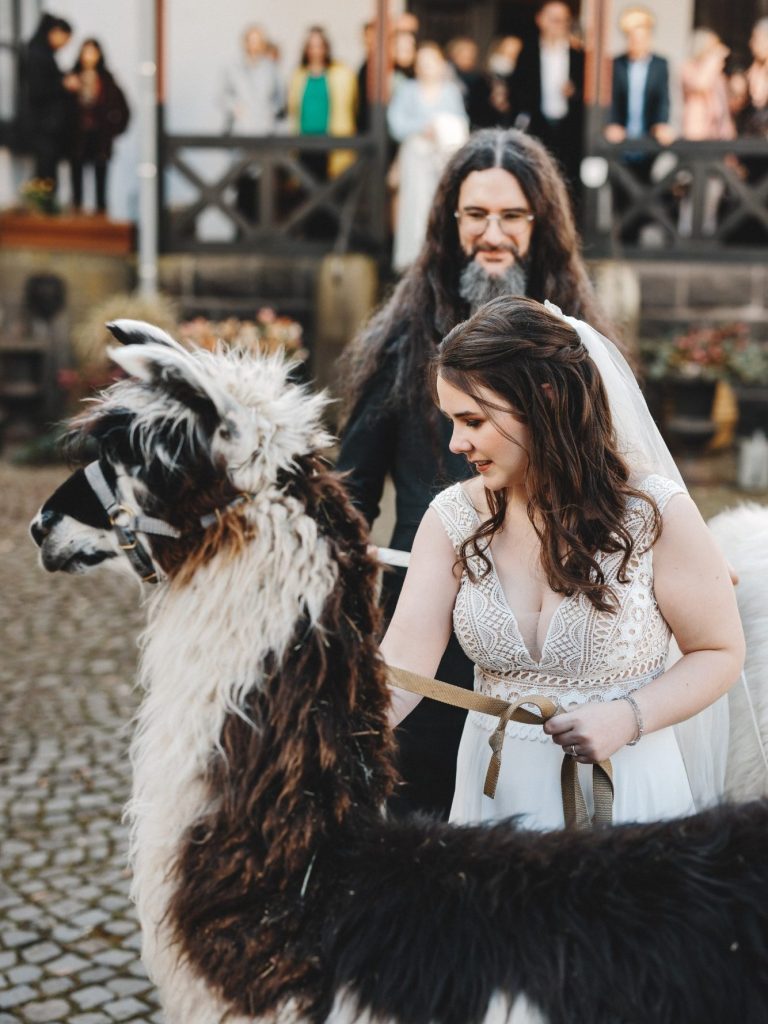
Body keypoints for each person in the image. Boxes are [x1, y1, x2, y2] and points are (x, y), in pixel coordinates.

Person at [383, 296, 744, 829]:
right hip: (494, 797)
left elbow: (718, 651)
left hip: (625, 790)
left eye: (473, 420)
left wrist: (628, 717)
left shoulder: (655, 512)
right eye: (452, 421)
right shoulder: (451, 518)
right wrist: (326, 739)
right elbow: (401, 667)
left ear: (545, 400)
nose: (457, 443)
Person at [336, 128, 610, 819]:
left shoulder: (579, 346)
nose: (493, 234)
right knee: (423, 829)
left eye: (512, 215)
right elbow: (349, 494)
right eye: (476, 215)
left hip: (549, 633)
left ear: (541, 224)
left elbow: (621, 472)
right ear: (449, 222)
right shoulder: (402, 341)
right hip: (424, 626)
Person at [387, 42, 469, 271]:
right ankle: (411, 259)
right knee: (413, 206)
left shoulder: (450, 91)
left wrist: (442, 128)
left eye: (431, 62)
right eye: (421, 62)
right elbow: (396, 123)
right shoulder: (408, 90)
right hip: (414, 156)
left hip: (441, 158)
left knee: (441, 203)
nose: (426, 67)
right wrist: (423, 127)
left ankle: (440, 258)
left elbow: (461, 122)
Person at [511, 1, 585, 194]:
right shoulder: (528, 53)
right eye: (554, 19)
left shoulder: (578, 55)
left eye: (564, 20)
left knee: (569, 182)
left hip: (570, 130)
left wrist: (574, 92)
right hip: (537, 127)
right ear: (541, 20)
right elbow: (517, 91)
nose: (560, 25)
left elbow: (587, 93)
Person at [17, 13, 78, 204]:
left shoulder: (42, 53)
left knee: (47, 169)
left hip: (47, 125)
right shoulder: (37, 54)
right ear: (55, 33)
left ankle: (44, 205)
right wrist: (63, 84)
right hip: (42, 125)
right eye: (65, 39)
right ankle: (43, 206)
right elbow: (37, 90)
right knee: (45, 170)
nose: (65, 44)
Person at [68, 39, 130, 216]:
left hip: (100, 135)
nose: (89, 57)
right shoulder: (73, 76)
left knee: (100, 172)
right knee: (77, 171)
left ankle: (101, 211)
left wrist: (114, 129)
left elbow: (123, 108)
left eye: (92, 52)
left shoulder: (107, 80)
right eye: (86, 52)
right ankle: (77, 209)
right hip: (78, 135)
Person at [288, 26, 357, 181]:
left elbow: (353, 105)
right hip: (303, 141)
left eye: (319, 46)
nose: (315, 51)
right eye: (311, 46)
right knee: (305, 183)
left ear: (326, 47)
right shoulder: (298, 75)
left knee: (329, 183)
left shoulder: (341, 73)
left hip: (331, 141)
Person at [604, 6, 675, 148]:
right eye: (632, 38)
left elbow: (663, 98)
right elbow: (611, 97)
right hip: (621, 135)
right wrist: (612, 123)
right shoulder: (616, 64)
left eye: (641, 38)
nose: (637, 42)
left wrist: (661, 124)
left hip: (648, 134)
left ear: (649, 38)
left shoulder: (660, 65)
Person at [446, 36, 493, 129]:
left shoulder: (480, 79)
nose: (469, 57)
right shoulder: (447, 74)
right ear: (454, 54)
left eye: (472, 53)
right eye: (465, 53)